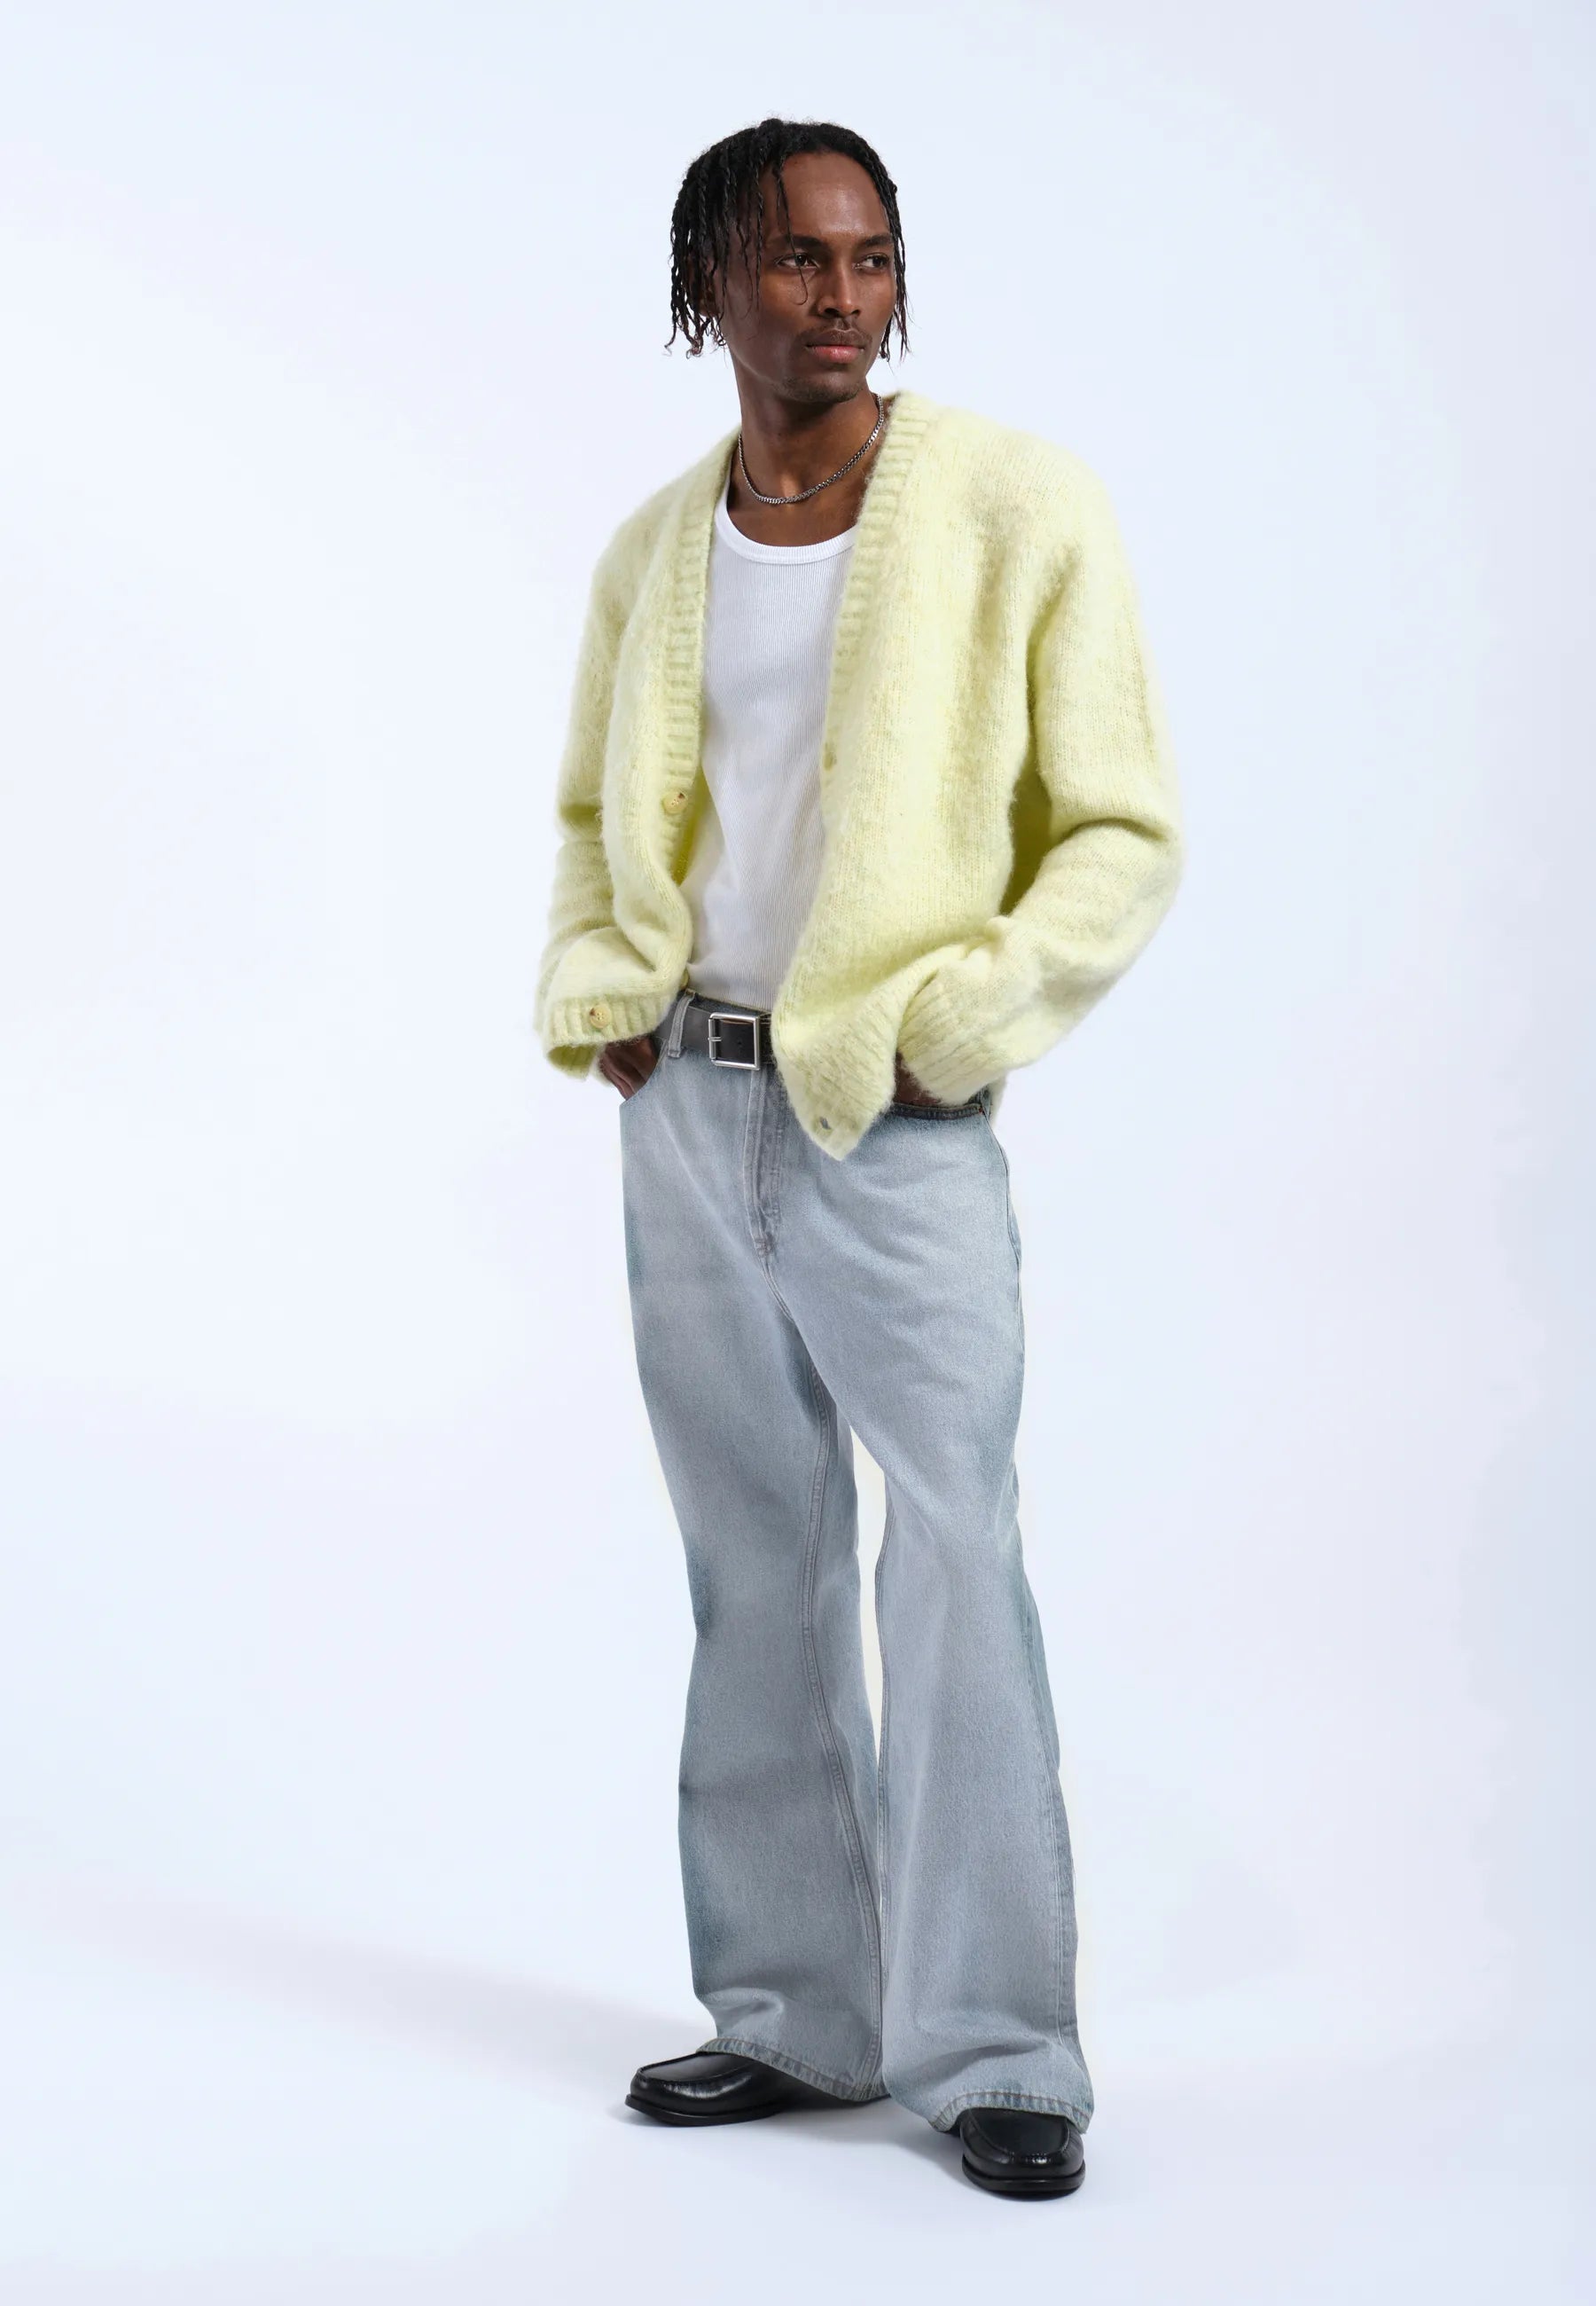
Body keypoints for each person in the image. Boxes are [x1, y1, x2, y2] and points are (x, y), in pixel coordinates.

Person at [533, 116, 1183, 2200]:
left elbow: (1119, 828)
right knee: (755, 1564)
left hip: (892, 1123)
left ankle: (997, 2047)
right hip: (689, 1106)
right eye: (795, 258)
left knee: (957, 1556)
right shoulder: (659, 547)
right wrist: (603, 990)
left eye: (871, 256)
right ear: (706, 284)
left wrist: (960, 1023)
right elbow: (593, 817)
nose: (840, 295)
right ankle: (795, 2013)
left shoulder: (1012, 501)